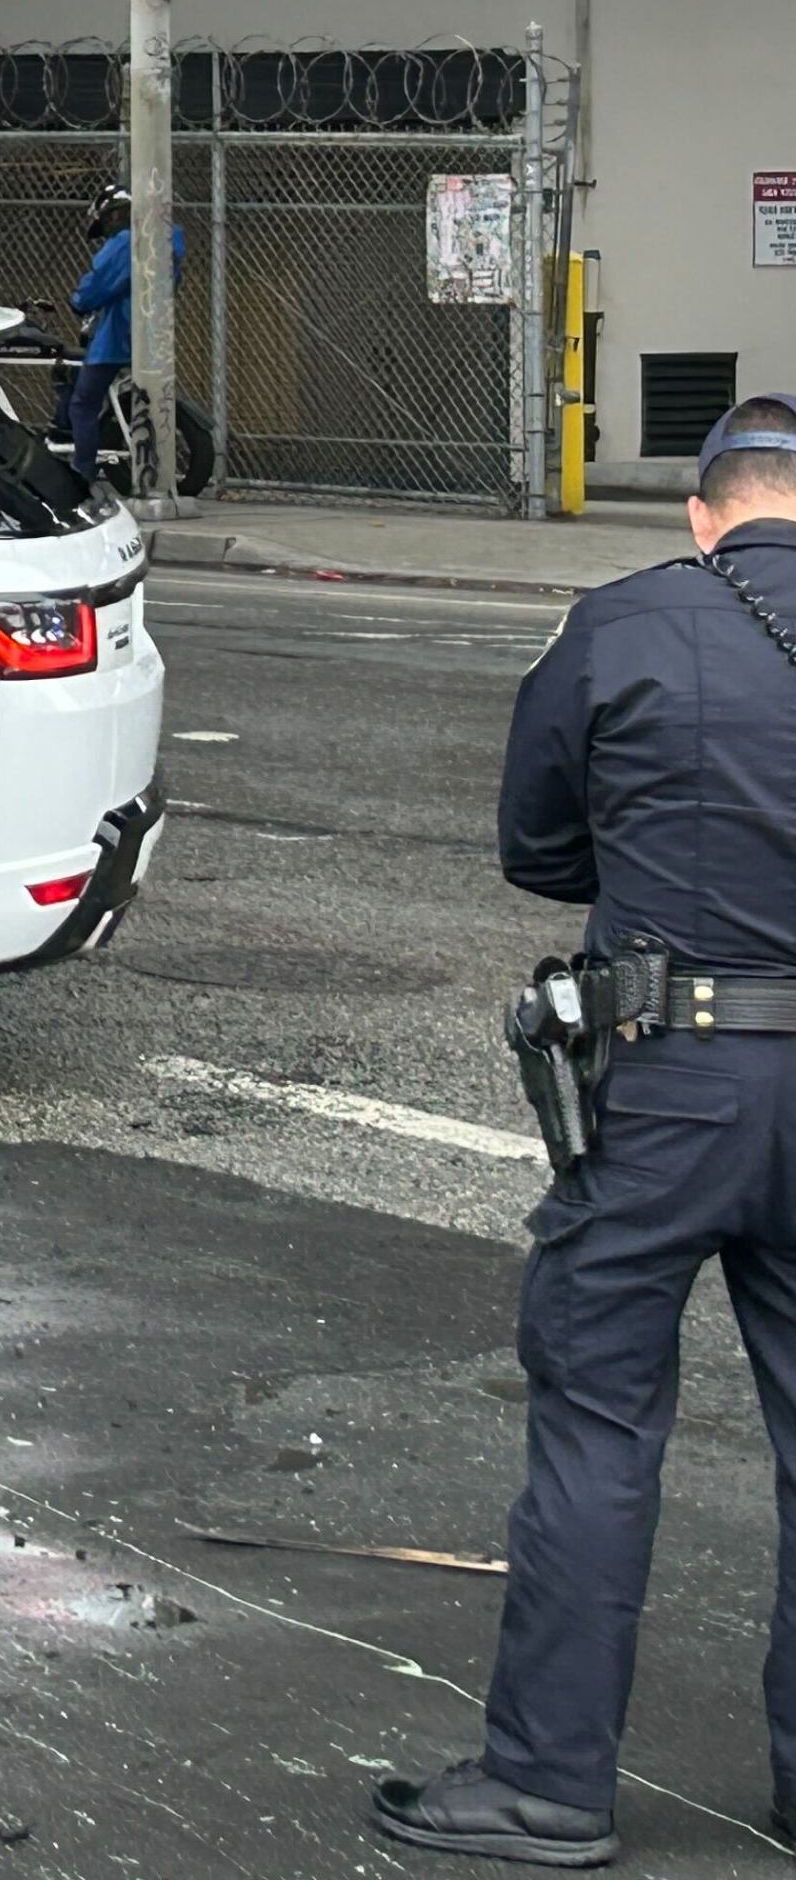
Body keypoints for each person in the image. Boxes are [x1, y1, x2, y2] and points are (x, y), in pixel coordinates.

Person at [373, 396, 796, 1867]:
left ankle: (550, 1782)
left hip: (668, 1075)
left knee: (600, 1424)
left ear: (702, 511)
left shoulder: (621, 626)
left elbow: (535, 846)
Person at [63, 187, 183, 481]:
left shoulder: (125, 242)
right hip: (152, 332)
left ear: (116, 214)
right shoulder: (165, 238)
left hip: (118, 334)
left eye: (105, 223)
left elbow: (98, 285)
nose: (106, 232)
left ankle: (83, 473)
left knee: (83, 403)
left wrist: (78, 301)